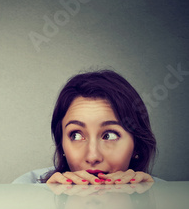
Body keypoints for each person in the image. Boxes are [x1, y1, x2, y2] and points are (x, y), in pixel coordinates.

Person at [13, 70, 157, 184]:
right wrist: (51, 202)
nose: (92, 156)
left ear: (136, 146)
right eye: (76, 135)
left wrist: (150, 201)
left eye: (109, 136)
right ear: (61, 144)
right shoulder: (27, 188)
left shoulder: (165, 195)